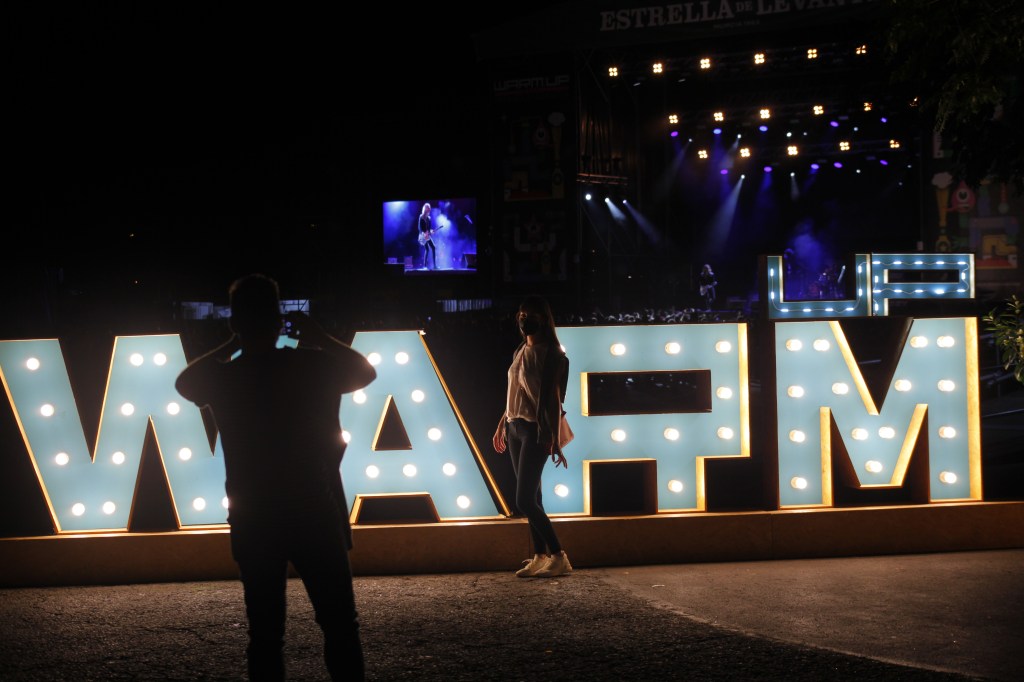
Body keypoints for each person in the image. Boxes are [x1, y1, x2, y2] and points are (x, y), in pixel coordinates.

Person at [174, 273, 377, 682]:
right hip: (314, 507)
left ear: (235, 323)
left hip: (255, 515)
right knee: (340, 624)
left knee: (266, 635)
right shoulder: (310, 365)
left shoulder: (227, 377)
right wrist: (319, 335)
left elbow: (184, 382)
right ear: (279, 318)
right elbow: (364, 372)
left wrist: (233, 343)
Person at [491, 295, 572, 579]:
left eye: (531, 314)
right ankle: (539, 555)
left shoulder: (552, 353)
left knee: (524, 500)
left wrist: (551, 437)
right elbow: (515, 391)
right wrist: (503, 422)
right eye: (522, 314)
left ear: (544, 319)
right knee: (533, 496)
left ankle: (559, 556)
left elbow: (553, 399)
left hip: (536, 430)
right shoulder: (519, 351)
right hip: (514, 426)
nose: (525, 319)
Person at [417, 202, 436, 270]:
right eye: (427, 208)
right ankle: (424, 266)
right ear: (425, 209)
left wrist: (431, 231)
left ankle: (435, 266)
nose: (429, 209)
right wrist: (424, 233)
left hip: (427, 235)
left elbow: (428, 228)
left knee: (433, 248)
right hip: (422, 235)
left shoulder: (429, 218)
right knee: (427, 249)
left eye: (429, 208)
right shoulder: (421, 217)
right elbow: (419, 228)